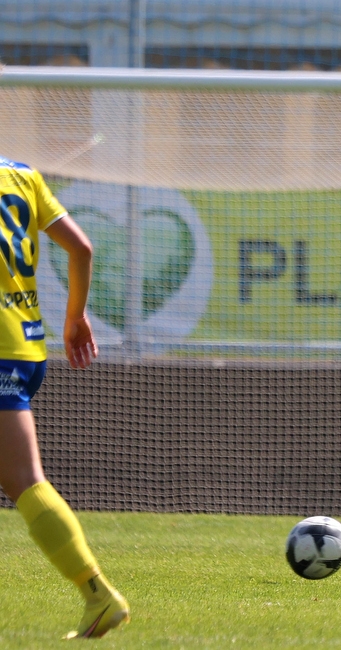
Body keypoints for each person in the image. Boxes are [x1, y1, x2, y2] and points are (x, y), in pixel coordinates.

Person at [0, 155, 130, 637]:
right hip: (26, 346)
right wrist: (75, 316)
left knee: (25, 480)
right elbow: (81, 248)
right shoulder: (21, 174)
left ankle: (97, 594)